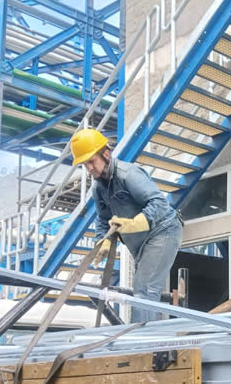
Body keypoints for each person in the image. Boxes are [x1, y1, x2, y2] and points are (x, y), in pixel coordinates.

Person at [70, 128, 182, 323]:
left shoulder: (128, 174)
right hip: (140, 244)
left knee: (144, 288)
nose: (89, 168)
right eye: (84, 164)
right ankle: (147, 336)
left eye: (91, 161)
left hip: (163, 231)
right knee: (144, 289)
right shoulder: (98, 188)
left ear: (106, 154)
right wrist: (102, 242)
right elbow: (103, 220)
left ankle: (143, 345)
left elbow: (158, 203)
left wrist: (135, 223)